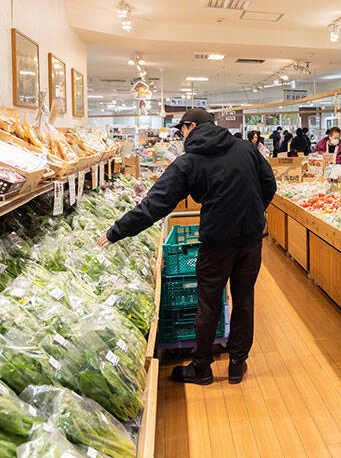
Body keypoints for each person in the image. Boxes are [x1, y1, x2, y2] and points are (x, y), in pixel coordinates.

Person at [97, 108, 277, 385]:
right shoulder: (245, 148)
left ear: (191, 126)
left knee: (208, 302)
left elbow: (154, 205)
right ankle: (237, 364)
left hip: (216, 241)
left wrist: (114, 233)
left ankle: (202, 367)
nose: (181, 135)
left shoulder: (189, 161)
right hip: (250, 239)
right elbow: (269, 183)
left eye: (181, 129)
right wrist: (253, 212)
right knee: (244, 300)